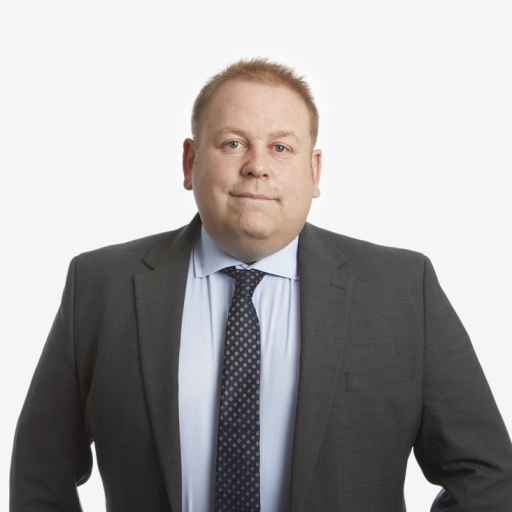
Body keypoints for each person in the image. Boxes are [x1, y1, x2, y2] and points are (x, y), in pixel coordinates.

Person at [10, 58, 512, 512]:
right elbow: (40, 472)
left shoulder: (402, 289)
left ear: (314, 171)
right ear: (189, 162)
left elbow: (485, 476)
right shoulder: (100, 285)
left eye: (280, 147)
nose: (256, 165)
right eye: (233, 143)